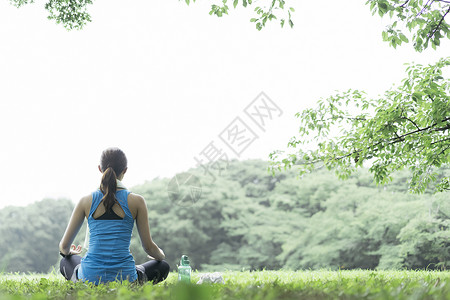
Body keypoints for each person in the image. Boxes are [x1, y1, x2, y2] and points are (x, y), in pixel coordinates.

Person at [59, 147, 169, 285]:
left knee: (66, 261)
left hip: (89, 278)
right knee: (163, 266)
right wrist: (160, 255)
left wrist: (69, 252)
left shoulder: (85, 201)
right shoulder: (137, 201)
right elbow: (148, 247)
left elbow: (63, 247)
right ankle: (128, 272)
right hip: (126, 279)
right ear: (125, 170)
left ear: (100, 168)